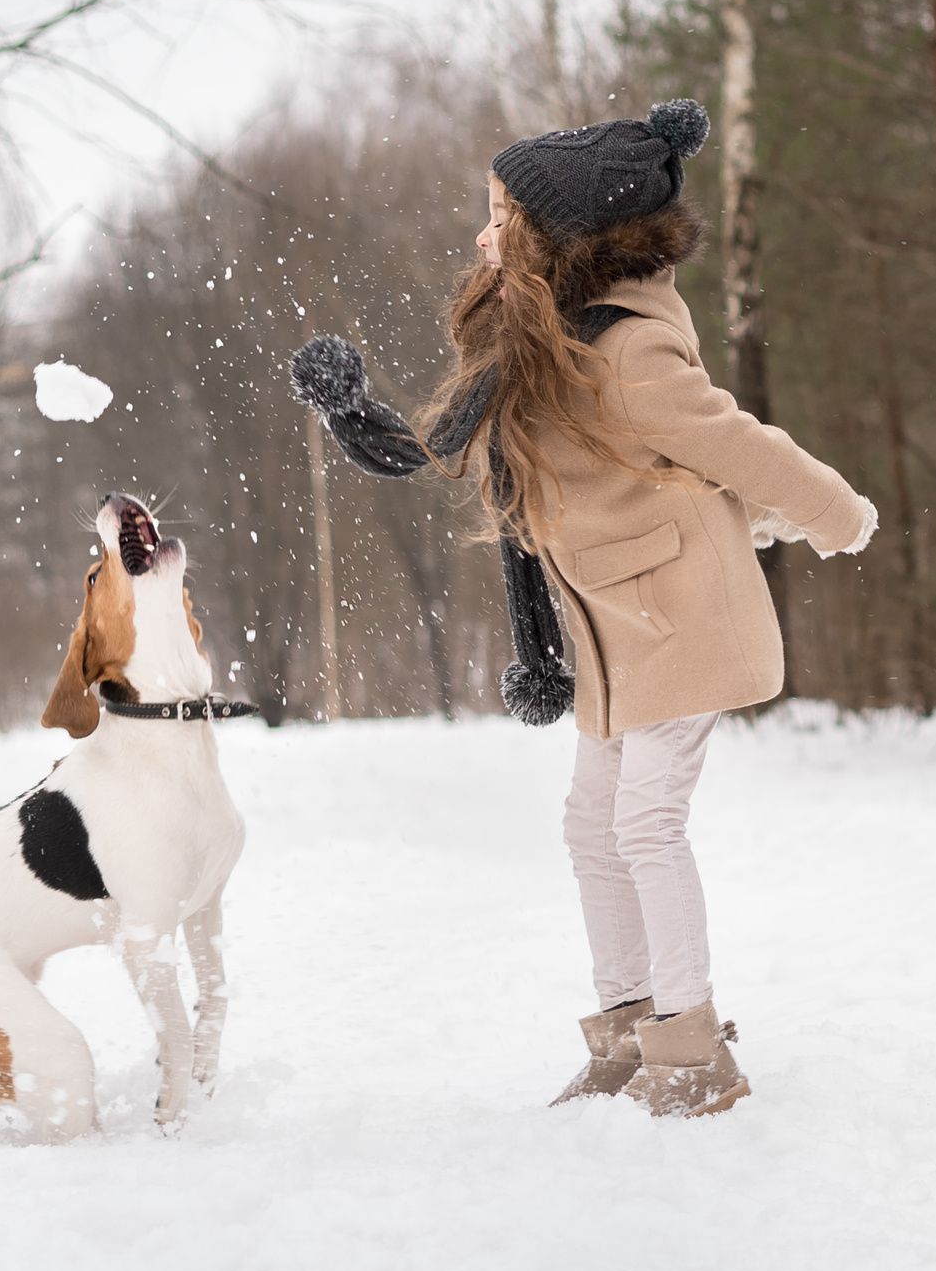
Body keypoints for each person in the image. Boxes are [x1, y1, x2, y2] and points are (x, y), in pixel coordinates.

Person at [290, 100, 875, 1117]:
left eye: (498, 217)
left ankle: (691, 1054)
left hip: (680, 617)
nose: (481, 236)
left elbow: (738, 446)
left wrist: (833, 514)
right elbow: (446, 449)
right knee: (588, 826)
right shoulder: (539, 345)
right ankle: (625, 1032)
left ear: (554, 238)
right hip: (613, 629)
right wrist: (352, 413)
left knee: (644, 824)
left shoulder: (626, 351)